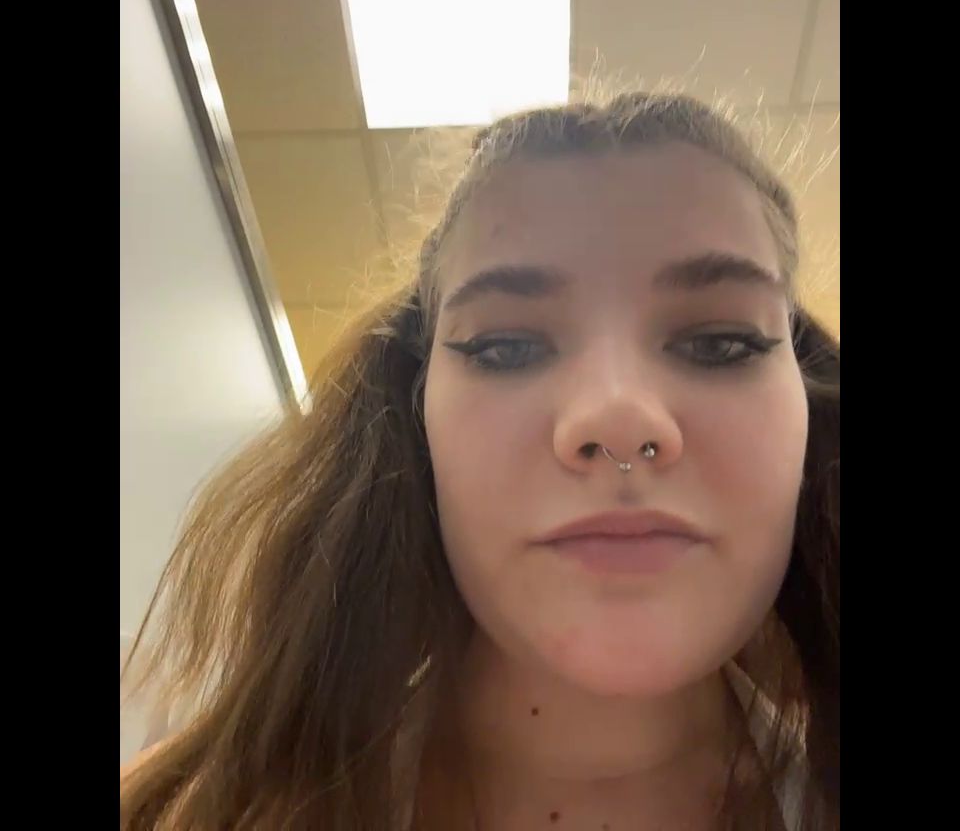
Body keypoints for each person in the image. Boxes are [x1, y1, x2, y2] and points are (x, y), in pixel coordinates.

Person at [120, 89, 840, 830]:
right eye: (506, 348)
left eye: (722, 343)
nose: (619, 419)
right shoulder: (181, 814)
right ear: (414, 416)